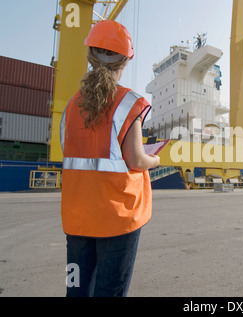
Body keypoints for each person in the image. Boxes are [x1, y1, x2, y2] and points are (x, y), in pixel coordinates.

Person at [60, 20, 160, 297]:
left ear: (90, 55)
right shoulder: (129, 102)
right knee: (109, 292)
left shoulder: (70, 106)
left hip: (77, 217)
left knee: (76, 290)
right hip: (117, 219)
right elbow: (137, 160)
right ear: (127, 60)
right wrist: (156, 160)